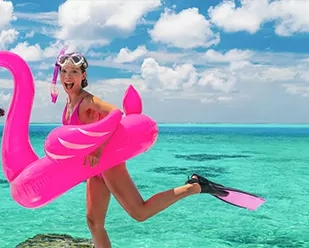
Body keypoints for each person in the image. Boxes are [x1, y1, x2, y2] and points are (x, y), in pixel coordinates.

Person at [56, 52, 246, 248]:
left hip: (108, 163)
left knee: (140, 212)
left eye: (74, 72)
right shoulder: (69, 103)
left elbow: (116, 114)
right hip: (94, 169)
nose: (68, 76)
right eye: (64, 71)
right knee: (94, 222)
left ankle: (196, 186)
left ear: (83, 76)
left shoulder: (87, 101)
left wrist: (98, 150)